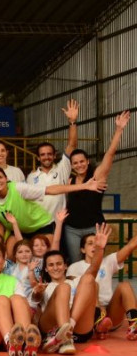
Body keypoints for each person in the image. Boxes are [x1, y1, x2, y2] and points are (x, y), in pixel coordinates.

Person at [63, 110, 130, 263]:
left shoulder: (97, 176)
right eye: (75, 163)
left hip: (94, 227)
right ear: (71, 165)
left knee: (95, 262)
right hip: (72, 229)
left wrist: (119, 130)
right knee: (75, 263)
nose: (79, 165)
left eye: (82, 161)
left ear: (87, 161)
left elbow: (110, 154)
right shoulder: (69, 180)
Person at [0, 166, 105, 238]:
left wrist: (84, 186)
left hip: (40, 225)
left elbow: (50, 190)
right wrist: (1, 243)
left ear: (6, 178)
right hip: (18, 229)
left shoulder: (18, 188)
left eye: (0, 177)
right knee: (9, 253)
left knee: (48, 256)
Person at [34, 234, 105, 355]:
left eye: (59, 264)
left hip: (78, 327)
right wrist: (37, 292)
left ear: (65, 266)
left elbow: (93, 269)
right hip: (51, 327)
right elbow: (36, 299)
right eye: (51, 265)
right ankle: (65, 339)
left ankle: (68, 329)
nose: (56, 268)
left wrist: (100, 248)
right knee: (63, 287)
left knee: (88, 278)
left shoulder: (75, 281)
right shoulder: (43, 286)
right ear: (45, 269)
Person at [67, 227, 137, 340]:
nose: (95, 245)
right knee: (92, 283)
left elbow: (130, 247)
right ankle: (98, 319)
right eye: (90, 243)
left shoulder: (108, 261)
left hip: (110, 311)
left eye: (97, 242)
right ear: (82, 249)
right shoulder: (74, 267)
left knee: (124, 285)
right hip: (89, 312)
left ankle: (133, 323)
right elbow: (72, 293)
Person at [25, 99, 80, 217]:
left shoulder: (62, 169)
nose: (46, 157)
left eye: (49, 154)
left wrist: (72, 122)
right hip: (38, 224)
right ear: (38, 158)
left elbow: (72, 145)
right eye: (43, 155)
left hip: (59, 222)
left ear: (54, 155)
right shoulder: (31, 176)